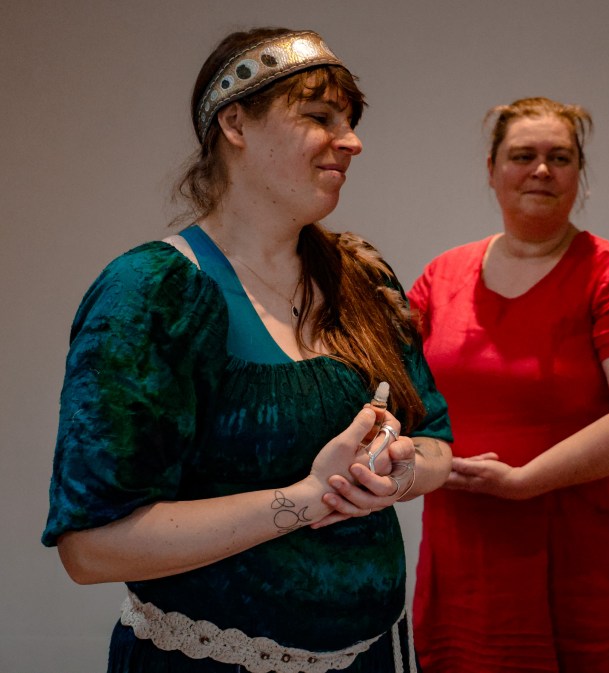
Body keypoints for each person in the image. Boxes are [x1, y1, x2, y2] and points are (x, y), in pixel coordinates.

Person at [42, 27, 453, 673]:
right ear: (234, 124)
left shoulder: (361, 277)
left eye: (350, 122)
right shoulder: (153, 293)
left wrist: (399, 471)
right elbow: (92, 547)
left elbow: (437, 443)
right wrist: (312, 496)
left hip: (373, 655)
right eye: (319, 117)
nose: (352, 142)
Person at [408, 97, 609, 672]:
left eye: (561, 157)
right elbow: (399, 396)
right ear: (492, 170)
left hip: (583, 558)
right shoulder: (441, 277)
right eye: (523, 155)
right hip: (465, 557)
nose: (542, 170)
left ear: (579, 173)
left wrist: (526, 481)